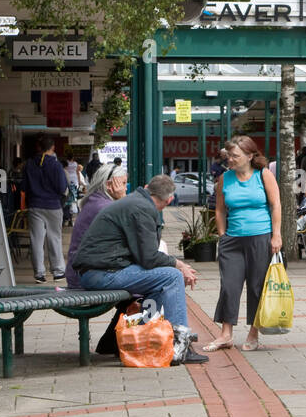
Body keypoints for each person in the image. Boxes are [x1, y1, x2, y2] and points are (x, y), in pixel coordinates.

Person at [72, 174, 206, 365]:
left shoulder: (135, 202)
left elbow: (143, 256)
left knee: (160, 283)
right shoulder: (141, 209)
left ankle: (145, 342)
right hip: (102, 273)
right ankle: (179, 346)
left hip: (97, 271)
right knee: (172, 276)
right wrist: (180, 264)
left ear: (146, 187)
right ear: (169, 200)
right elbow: (149, 258)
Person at [205, 136, 282, 353]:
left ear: (249, 156)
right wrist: (222, 235)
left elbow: (276, 205)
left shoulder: (264, 175)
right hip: (233, 239)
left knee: (257, 286)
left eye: (235, 156)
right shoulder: (224, 178)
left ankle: (253, 332)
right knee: (229, 286)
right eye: (228, 155)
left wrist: (276, 235)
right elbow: (219, 209)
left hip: (260, 237)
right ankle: (225, 334)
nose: (230, 159)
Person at [66, 164, 128, 289]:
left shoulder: (96, 201)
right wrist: (123, 200)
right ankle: (134, 304)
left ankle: (132, 304)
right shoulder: (104, 207)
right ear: (109, 185)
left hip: (82, 272)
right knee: (161, 276)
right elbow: (132, 232)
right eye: (123, 183)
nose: (125, 189)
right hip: (88, 275)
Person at [25, 134, 69, 283]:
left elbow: (23, 186)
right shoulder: (56, 165)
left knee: (36, 240)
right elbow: (62, 187)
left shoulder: (29, 164)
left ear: (39, 147)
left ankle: (39, 273)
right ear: (53, 148)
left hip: (34, 205)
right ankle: (58, 272)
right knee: (54, 238)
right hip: (53, 206)